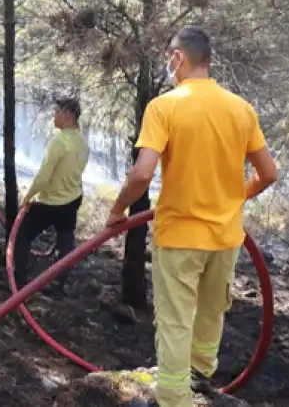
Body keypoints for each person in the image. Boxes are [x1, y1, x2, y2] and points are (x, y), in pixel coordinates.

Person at [105, 26, 278, 407]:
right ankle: (200, 374)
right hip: (226, 238)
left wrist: (117, 212)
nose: (170, 64)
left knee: (175, 321)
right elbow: (269, 173)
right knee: (212, 311)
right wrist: (236, 197)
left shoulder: (165, 106)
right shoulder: (240, 108)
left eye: (171, 57)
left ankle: (173, 398)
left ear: (179, 57)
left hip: (179, 236)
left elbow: (141, 174)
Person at [14, 96, 90, 298]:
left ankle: (18, 284)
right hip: (72, 200)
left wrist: (28, 197)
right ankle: (57, 286)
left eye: (56, 112)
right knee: (65, 241)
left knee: (22, 235)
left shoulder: (59, 141)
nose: (54, 117)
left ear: (67, 115)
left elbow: (44, 176)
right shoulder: (82, 143)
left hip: (50, 202)